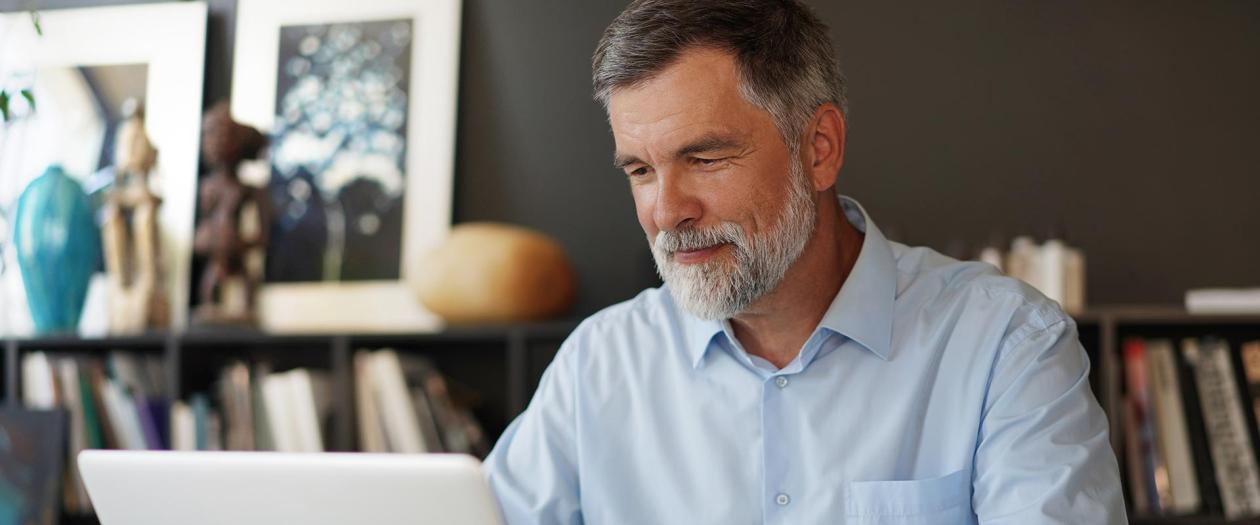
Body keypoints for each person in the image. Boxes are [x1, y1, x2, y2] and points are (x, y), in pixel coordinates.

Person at [483, 1, 1125, 523]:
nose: (666, 210)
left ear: (819, 148)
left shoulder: (1006, 345)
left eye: (705, 158)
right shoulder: (598, 365)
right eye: (641, 170)